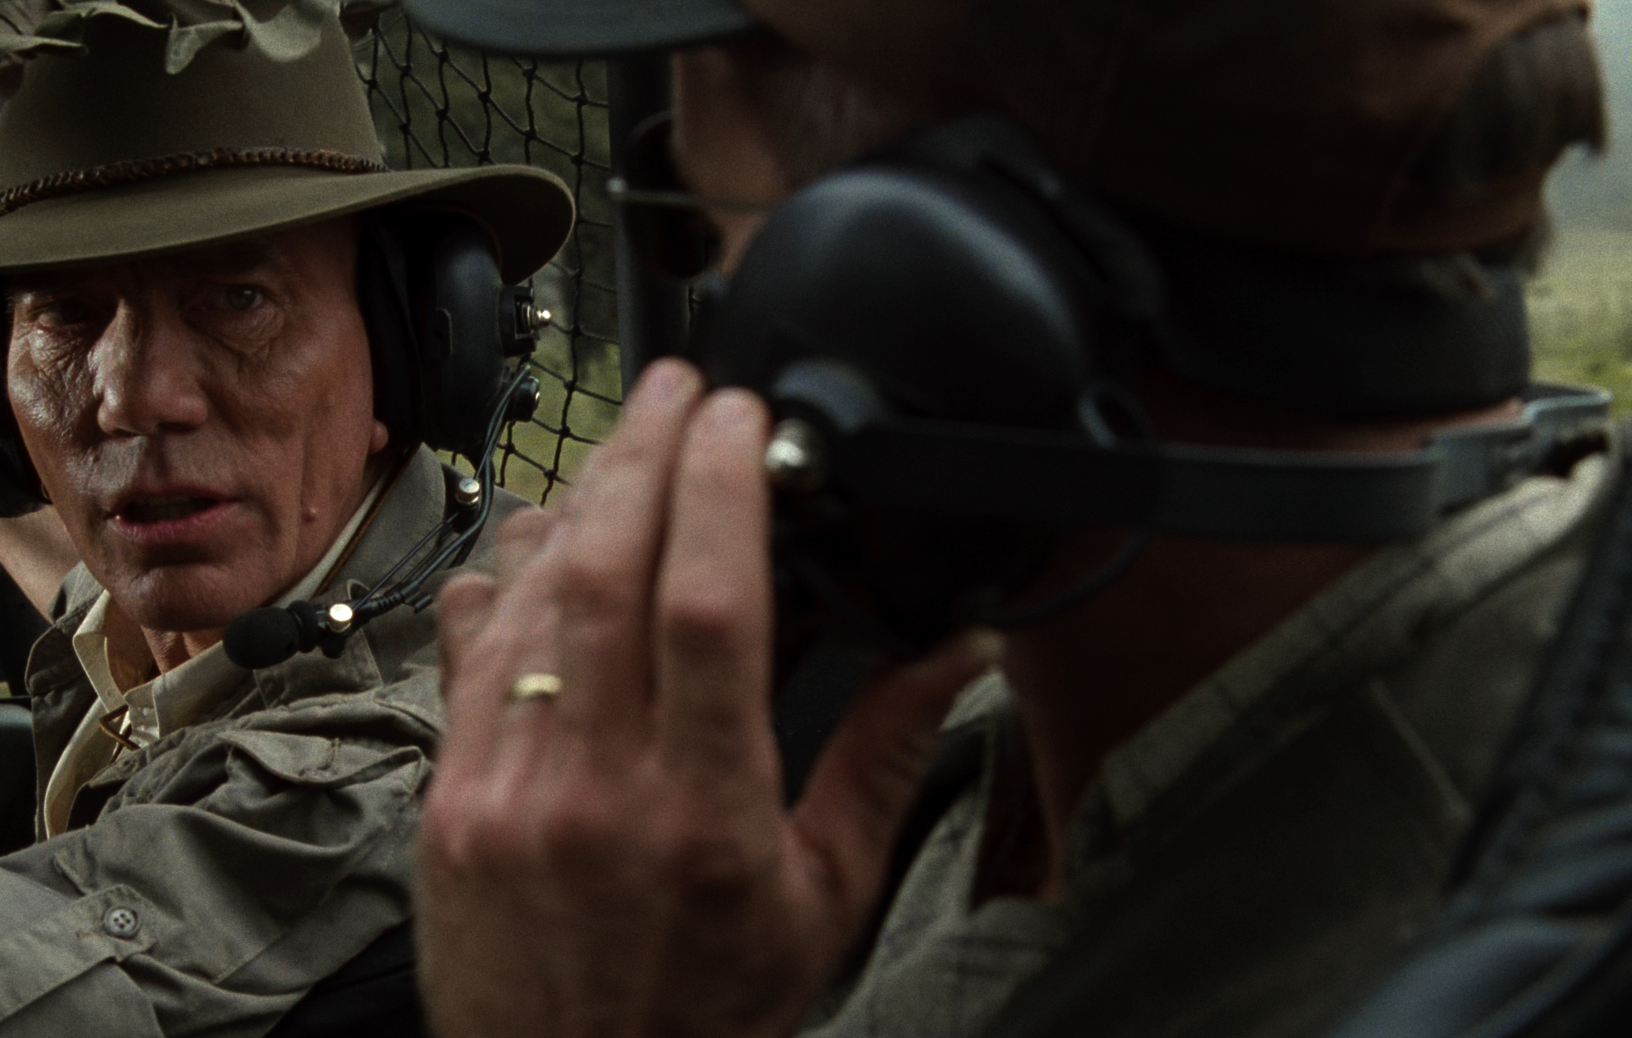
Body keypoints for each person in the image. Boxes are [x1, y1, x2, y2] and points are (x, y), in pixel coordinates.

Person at [398, 0, 1611, 1035]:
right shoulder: (1043, 726)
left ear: (917, 285)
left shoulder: (1457, 976)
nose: (717, 345)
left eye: (702, 227)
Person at [0, 9, 572, 1038]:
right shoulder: (341, 566)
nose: (132, 399)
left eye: (239, 298)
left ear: (404, 353)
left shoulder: (376, 761)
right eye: (66, 315)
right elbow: (90, 593)